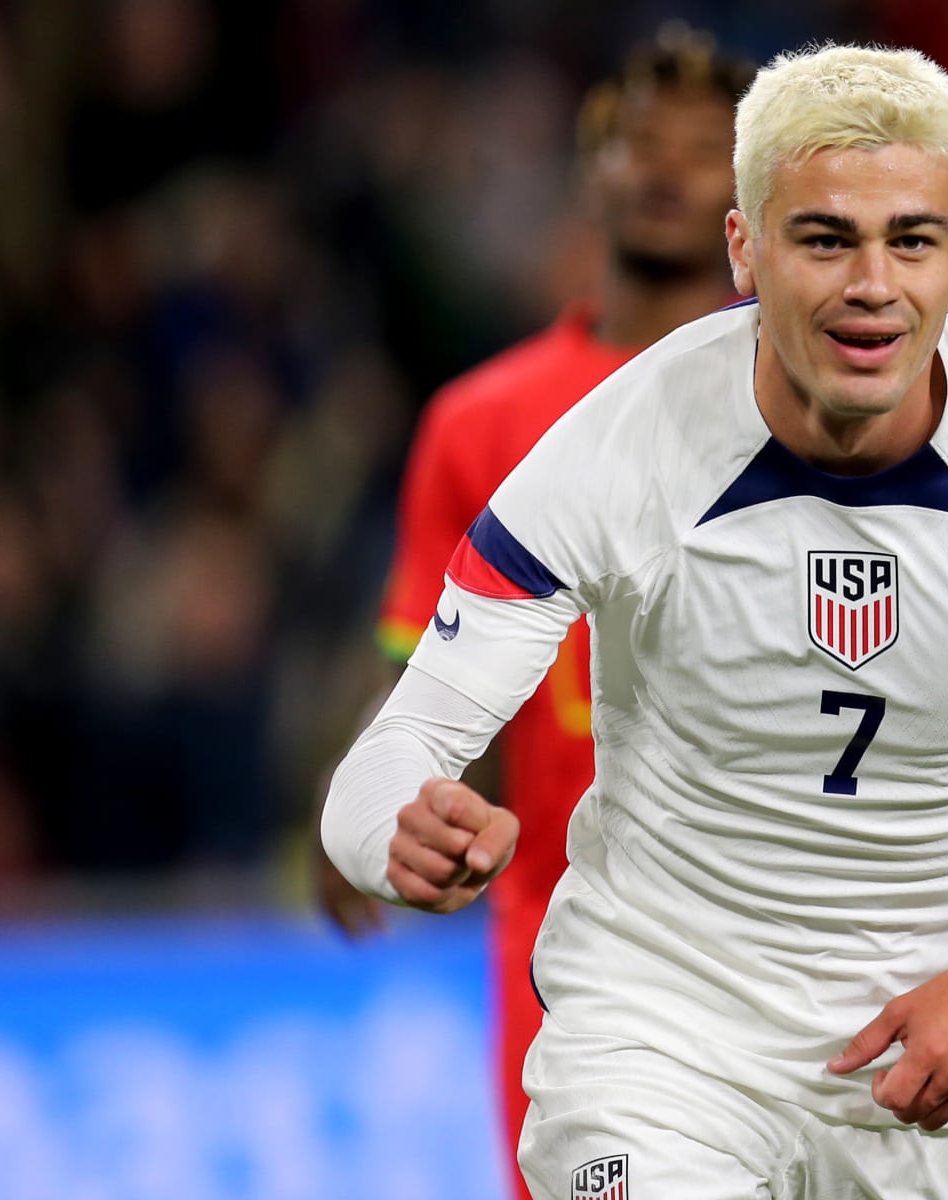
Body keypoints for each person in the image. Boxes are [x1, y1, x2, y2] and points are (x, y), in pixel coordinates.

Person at [324, 43, 948, 1199]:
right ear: (744, 250)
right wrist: (388, 831)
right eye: (824, 239)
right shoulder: (616, 450)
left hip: (916, 1059)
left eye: (912, 238)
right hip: (657, 1031)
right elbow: (403, 745)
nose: (873, 283)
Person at [313, 27, 753, 1199]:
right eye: (634, 145)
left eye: (702, 150)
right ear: (589, 174)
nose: (663, 170)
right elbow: (423, 673)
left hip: (774, 917)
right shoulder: (479, 421)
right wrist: (369, 796)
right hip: (566, 934)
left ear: (747, 192)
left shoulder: (806, 402)